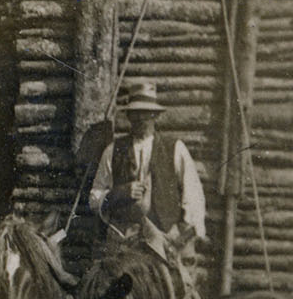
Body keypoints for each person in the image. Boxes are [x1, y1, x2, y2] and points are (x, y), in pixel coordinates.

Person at [87, 80, 206, 265]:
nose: (141, 119)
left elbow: (193, 194)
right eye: (136, 114)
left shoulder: (174, 148)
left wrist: (183, 232)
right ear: (128, 116)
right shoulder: (114, 150)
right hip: (124, 238)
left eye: (147, 113)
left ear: (155, 115)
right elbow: (94, 197)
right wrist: (118, 193)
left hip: (164, 237)